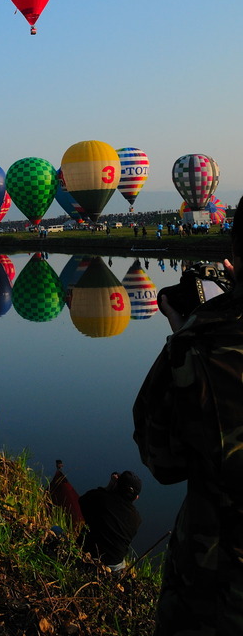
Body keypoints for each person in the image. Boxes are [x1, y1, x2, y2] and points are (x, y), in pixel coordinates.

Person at [133, 196, 243, 635]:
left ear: (235, 254)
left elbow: (161, 462)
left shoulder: (198, 345)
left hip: (216, 588)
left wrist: (188, 336)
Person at [78, 471, 142, 571]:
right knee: (122, 562)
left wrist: (108, 488)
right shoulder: (137, 519)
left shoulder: (101, 498)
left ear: (116, 485)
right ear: (136, 498)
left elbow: (82, 501)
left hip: (88, 558)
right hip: (114, 566)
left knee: (56, 529)